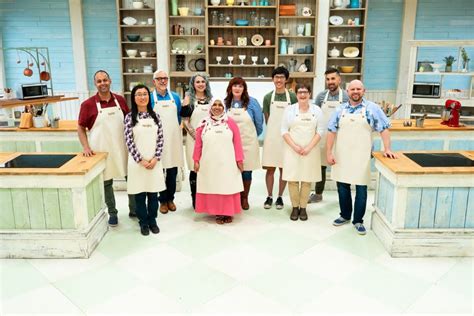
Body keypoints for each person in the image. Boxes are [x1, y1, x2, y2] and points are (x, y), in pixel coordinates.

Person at [326, 80, 397, 235]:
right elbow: (331, 131)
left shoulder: (372, 109)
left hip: (361, 156)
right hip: (342, 155)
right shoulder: (340, 110)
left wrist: (387, 148)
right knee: (342, 187)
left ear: (364, 91)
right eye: (352, 89)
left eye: (358, 89)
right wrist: (329, 152)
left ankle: (358, 220)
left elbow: (384, 129)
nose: (355, 91)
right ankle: (344, 215)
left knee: (361, 188)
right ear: (347, 91)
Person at [77, 70, 135, 226]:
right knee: (106, 182)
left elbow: (129, 122)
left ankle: (134, 209)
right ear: (95, 84)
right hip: (101, 149)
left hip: (123, 147)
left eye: (105, 80)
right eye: (99, 81)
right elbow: (81, 127)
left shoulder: (120, 101)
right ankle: (112, 213)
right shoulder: (87, 105)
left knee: (131, 178)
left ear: (110, 81)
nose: (103, 83)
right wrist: (86, 147)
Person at [193, 98, 244, 224]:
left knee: (227, 185)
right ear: (210, 107)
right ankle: (217, 212)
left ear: (224, 107)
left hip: (228, 162)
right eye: (214, 105)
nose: (217, 107)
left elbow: (237, 142)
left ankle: (227, 212)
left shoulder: (230, 123)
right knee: (213, 185)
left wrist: (239, 160)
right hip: (209, 162)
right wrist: (196, 160)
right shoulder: (203, 124)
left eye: (220, 105)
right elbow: (198, 144)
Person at [124, 85, 166, 236]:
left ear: (148, 97)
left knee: (153, 194)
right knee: (140, 195)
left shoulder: (156, 116)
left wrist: (155, 158)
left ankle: (152, 220)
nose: (142, 97)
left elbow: (161, 139)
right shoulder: (129, 117)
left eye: (145, 94)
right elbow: (129, 142)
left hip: (154, 162)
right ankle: (143, 222)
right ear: (134, 98)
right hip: (137, 163)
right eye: (139, 94)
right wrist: (141, 160)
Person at [281, 83, 324, 221]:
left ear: (309, 93)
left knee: (306, 179)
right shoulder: (289, 110)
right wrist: (295, 146)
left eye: (305, 92)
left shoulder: (316, 110)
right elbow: (283, 130)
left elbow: (320, 131)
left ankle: (303, 208)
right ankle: (294, 207)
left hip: (311, 151)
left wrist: (308, 147)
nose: (302, 95)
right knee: (293, 179)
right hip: (292, 150)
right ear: (296, 94)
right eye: (300, 92)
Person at [308, 68, 349, 204]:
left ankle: (343, 197)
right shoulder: (321, 97)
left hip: (342, 137)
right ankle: (318, 194)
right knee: (321, 166)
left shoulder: (347, 97)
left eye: (333, 79)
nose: (330, 82)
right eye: (328, 79)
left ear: (339, 79)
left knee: (342, 165)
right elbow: (315, 116)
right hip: (324, 137)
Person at [224, 77, 264, 210]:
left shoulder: (252, 103)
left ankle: (244, 198)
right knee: (232, 172)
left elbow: (259, 124)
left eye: (240, 86)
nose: (237, 88)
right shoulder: (225, 103)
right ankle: (234, 198)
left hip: (248, 143)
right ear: (230, 88)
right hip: (229, 144)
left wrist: (251, 136)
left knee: (246, 172)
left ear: (244, 89)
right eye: (235, 85)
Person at [261, 67, 298, 210]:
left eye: (282, 77)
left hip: (287, 139)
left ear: (286, 79)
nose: (279, 80)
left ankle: (280, 197)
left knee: (284, 169)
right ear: (273, 79)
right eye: (276, 77)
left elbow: (295, 118)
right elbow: (268, 119)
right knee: (270, 169)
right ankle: (269, 196)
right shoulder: (267, 98)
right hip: (272, 138)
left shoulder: (293, 97)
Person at [151, 70, 184, 214]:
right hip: (155, 139)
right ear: (154, 81)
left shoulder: (175, 97)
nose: (163, 81)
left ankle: (170, 199)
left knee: (172, 170)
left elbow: (178, 117)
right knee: (159, 171)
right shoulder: (150, 98)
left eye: (165, 78)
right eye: (159, 79)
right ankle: (162, 200)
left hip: (173, 139)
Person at [180, 73, 213, 209]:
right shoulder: (188, 99)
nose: (200, 84)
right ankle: (196, 199)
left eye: (202, 81)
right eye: (197, 82)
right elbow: (185, 121)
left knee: (208, 168)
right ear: (193, 84)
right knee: (195, 169)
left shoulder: (211, 100)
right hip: (194, 141)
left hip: (210, 140)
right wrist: (197, 137)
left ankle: (208, 198)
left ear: (206, 84)